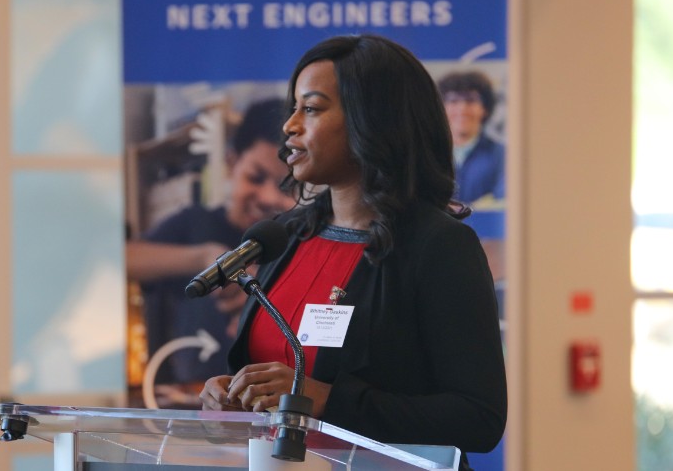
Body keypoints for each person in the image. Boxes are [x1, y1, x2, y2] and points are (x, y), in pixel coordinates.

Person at [199, 35, 506, 469]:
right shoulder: (284, 237)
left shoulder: (438, 246)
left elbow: (479, 419)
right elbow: (273, 380)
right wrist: (228, 399)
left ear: (372, 120)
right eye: (293, 108)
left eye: (311, 108)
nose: (290, 125)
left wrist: (325, 399)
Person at [128, 98, 296, 386]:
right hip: (194, 392)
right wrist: (205, 258)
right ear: (232, 163)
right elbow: (127, 258)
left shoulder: (298, 240)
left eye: (285, 186)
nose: (268, 197)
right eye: (255, 177)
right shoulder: (195, 224)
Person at [438, 70, 505, 205]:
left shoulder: (502, 155)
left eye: (470, 100)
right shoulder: (427, 154)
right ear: (441, 107)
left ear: (484, 108)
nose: (462, 109)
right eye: (453, 101)